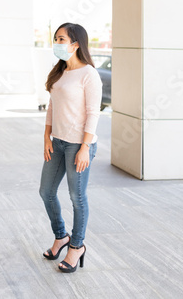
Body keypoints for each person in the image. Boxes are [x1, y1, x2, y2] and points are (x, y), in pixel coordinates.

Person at [39, 23, 102, 273]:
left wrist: (85, 147)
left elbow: (93, 113)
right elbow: (52, 106)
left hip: (78, 145)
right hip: (57, 142)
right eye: (55, 38)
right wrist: (46, 137)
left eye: (61, 38)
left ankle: (77, 246)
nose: (57, 42)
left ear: (76, 44)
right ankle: (61, 236)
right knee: (46, 192)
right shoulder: (60, 72)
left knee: (77, 197)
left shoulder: (89, 74)